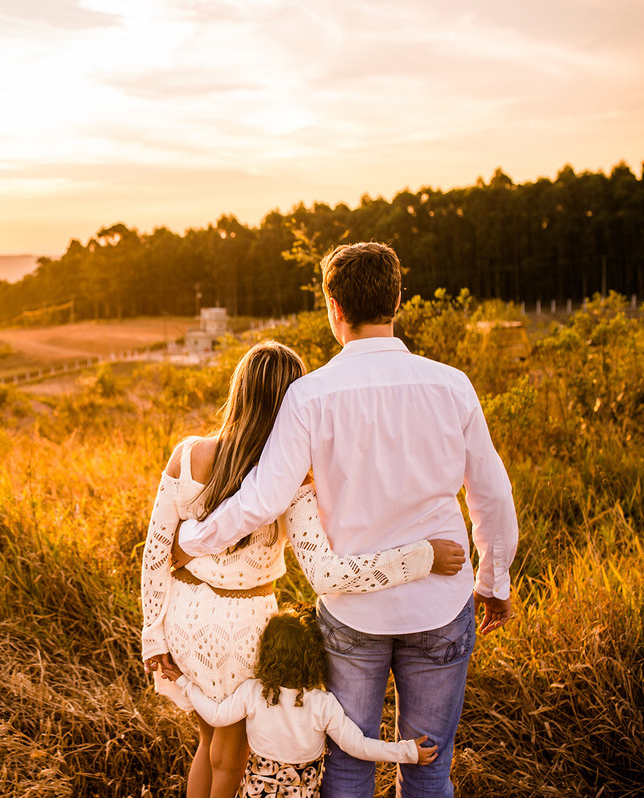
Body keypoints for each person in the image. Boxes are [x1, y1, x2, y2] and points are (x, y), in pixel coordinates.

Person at [176, 242, 519, 798]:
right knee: (430, 767)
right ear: (398, 300)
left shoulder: (310, 395)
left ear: (333, 307)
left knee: (349, 763)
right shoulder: (452, 384)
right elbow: (493, 495)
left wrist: (193, 540)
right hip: (441, 602)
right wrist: (493, 582)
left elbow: (263, 499)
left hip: (353, 614)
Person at [142, 340, 466, 798]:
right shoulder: (291, 481)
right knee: (231, 758)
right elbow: (327, 574)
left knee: (208, 742)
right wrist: (421, 556)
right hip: (244, 630)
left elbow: (156, 552)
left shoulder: (188, 454)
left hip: (185, 621)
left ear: (239, 391)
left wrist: (153, 635)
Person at [164, 605, 438, 797]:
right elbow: (359, 746)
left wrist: (185, 683)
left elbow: (215, 715)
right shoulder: (322, 704)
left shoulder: (254, 692)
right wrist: (407, 752)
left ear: (267, 654)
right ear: (315, 657)